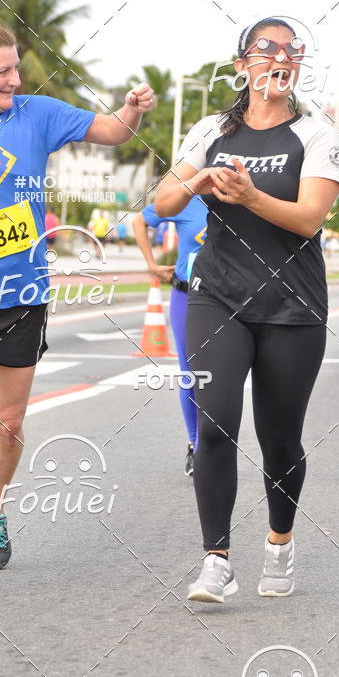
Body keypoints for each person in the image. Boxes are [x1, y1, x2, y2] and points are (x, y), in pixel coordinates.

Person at [155, 16, 339, 603]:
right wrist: (197, 180)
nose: (280, 58)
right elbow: (162, 200)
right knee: (213, 424)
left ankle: (279, 543)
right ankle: (216, 561)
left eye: (292, 51)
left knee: (279, 438)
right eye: (266, 49)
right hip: (216, 295)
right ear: (243, 65)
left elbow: (310, 217)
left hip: (292, 304)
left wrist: (251, 195)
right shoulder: (212, 128)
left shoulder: (317, 134)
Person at [0, 21, 156, 569]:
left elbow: (113, 131)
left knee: (6, 422)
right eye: (2, 70)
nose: (15, 78)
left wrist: (134, 110)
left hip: (19, 294)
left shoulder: (37, 113)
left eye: (15, 67)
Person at [132, 197, 208, 476]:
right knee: (190, 372)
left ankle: (214, 443)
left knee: (219, 374)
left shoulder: (241, 197)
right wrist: (151, 264)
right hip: (186, 295)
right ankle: (195, 444)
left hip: (227, 299)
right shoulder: (187, 199)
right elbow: (139, 220)